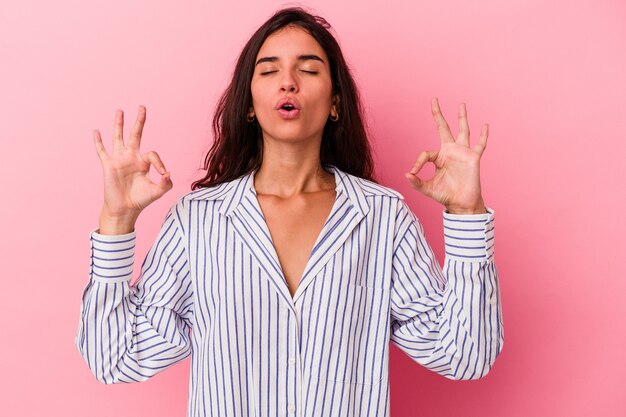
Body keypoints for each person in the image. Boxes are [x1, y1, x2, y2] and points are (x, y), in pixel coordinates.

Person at [75, 6, 503, 417]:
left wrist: (467, 212)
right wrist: (117, 221)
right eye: (269, 70)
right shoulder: (198, 221)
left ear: (335, 103)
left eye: (309, 69)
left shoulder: (382, 218)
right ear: (248, 103)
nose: (288, 82)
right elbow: (115, 357)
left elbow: (464, 355)